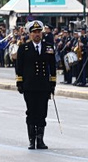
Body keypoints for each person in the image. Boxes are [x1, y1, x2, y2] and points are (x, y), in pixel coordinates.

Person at [15, 20, 58, 149]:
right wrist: (19, 82)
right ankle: (31, 139)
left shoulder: (48, 47)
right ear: (30, 34)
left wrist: (52, 83)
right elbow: (19, 67)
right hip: (29, 86)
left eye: (39, 32)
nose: (37, 34)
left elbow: (52, 66)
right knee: (31, 112)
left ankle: (40, 140)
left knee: (42, 112)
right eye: (34, 32)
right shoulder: (24, 48)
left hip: (43, 86)